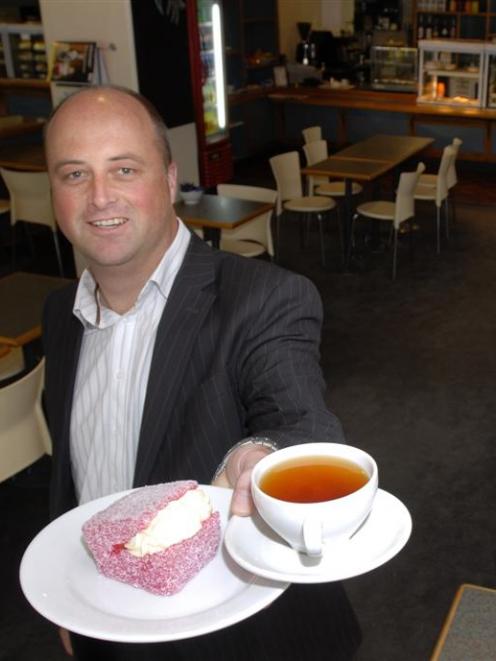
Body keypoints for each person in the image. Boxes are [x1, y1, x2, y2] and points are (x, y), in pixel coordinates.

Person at [42, 85, 361, 660]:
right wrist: (72, 598)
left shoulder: (265, 299)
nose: (99, 198)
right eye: (73, 175)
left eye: (123, 168)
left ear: (168, 179)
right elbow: (74, 484)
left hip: (244, 638)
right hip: (111, 624)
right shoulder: (58, 317)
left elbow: (303, 423)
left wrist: (264, 458)